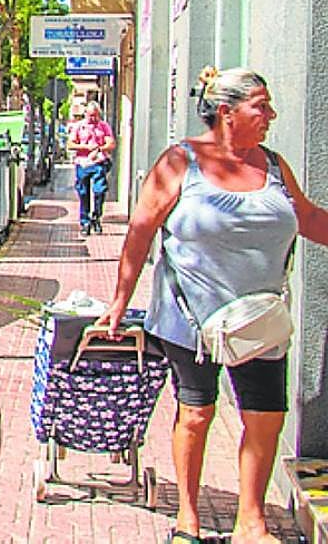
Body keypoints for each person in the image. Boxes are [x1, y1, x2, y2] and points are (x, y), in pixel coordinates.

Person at [100, 67, 328, 544]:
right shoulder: (179, 163)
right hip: (191, 320)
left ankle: (252, 522)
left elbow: (306, 218)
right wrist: (119, 303)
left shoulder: (274, 165)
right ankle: (188, 518)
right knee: (197, 413)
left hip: (258, 322)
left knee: (265, 416)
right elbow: (140, 233)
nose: (270, 115)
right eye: (260, 106)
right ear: (227, 112)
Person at [68, 100, 116, 234]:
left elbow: (111, 143)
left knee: (99, 191)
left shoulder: (103, 126)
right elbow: (70, 144)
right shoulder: (78, 127)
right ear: (85, 114)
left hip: (99, 162)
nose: (93, 118)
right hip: (83, 163)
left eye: (95, 115)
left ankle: (96, 216)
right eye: (90, 115)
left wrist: (99, 148)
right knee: (83, 193)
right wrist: (85, 147)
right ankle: (85, 222)